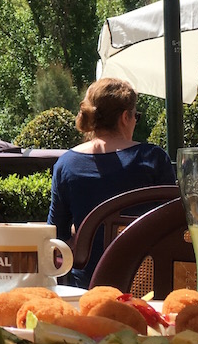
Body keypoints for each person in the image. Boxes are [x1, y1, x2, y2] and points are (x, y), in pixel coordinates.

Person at [47, 78, 176, 287]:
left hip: (88, 288)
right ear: (125, 117)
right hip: (147, 287)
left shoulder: (66, 164)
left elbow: (54, 235)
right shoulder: (152, 158)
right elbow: (171, 225)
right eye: (136, 116)